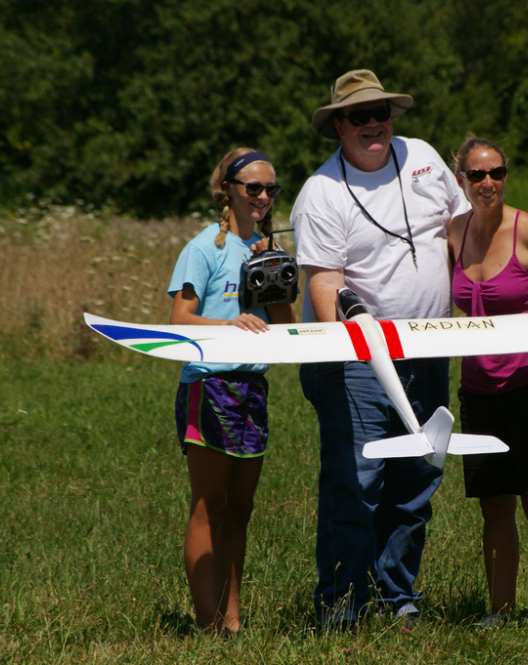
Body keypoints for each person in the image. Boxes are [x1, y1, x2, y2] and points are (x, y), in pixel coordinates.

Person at [290, 70, 470, 626]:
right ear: (339, 126)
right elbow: (324, 282)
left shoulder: (422, 156)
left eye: (381, 114)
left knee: (418, 476)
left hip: (431, 344)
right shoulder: (321, 192)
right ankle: (341, 605)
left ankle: (399, 598)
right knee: (357, 481)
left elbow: (461, 233)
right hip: (359, 360)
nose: (374, 125)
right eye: (359, 117)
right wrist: (342, 357)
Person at [447, 137, 528, 640]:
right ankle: (499, 609)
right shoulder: (453, 233)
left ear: (506, 176)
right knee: (494, 503)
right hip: (478, 388)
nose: (488, 184)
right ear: (461, 179)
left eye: (497, 174)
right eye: (478, 175)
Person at [168, 148, 294, 635]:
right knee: (209, 505)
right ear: (228, 191)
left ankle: (232, 622)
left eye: (271, 190)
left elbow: (283, 325)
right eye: (253, 189)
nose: (263, 198)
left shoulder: (264, 250)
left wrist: (277, 270)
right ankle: (206, 624)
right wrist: (229, 322)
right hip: (210, 384)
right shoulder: (203, 248)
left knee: (241, 509)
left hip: (253, 386)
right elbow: (179, 320)